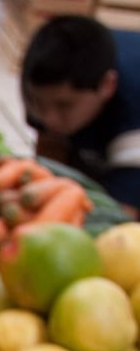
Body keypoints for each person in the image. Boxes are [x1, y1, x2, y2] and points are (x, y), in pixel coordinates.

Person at [20, 16, 140, 214]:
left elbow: (118, 218)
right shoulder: (42, 81)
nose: (49, 118)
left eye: (64, 106)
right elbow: (49, 156)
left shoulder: (133, 118)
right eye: (38, 104)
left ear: (107, 85)